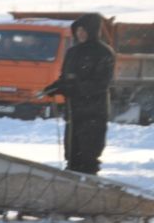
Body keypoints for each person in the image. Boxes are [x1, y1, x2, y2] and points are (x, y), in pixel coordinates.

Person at [43, 13, 115, 175]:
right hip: (73, 112)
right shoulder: (72, 52)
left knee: (89, 154)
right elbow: (65, 79)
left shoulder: (103, 53)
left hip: (94, 112)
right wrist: (56, 87)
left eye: (84, 30)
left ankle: (88, 183)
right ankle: (72, 179)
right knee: (72, 153)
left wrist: (75, 88)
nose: (80, 33)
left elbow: (101, 83)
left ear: (93, 31)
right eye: (78, 30)